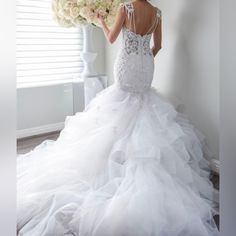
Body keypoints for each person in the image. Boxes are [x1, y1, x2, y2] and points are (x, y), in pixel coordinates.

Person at [17, 1, 219, 235]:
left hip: (127, 64)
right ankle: (130, 155)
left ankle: (116, 158)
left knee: (119, 106)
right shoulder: (157, 13)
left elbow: (112, 39)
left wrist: (102, 22)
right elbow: (159, 46)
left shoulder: (126, 8)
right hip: (146, 66)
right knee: (143, 106)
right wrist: (144, 56)